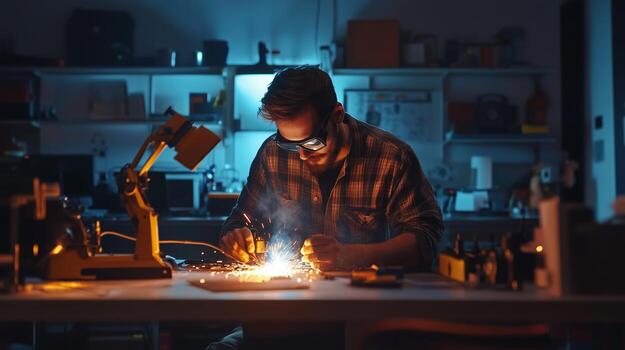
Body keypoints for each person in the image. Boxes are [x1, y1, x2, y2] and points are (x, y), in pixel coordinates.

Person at [220, 66, 442, 271]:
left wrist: (352, 256)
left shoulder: (391, 158)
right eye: (290, 144)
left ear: (337, 116)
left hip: (363, 299)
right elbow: (240, 220)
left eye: (312, 142)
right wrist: (236, 236)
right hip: (290, 299)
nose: (302, 155)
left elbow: (426, 240)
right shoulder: (272, 153)